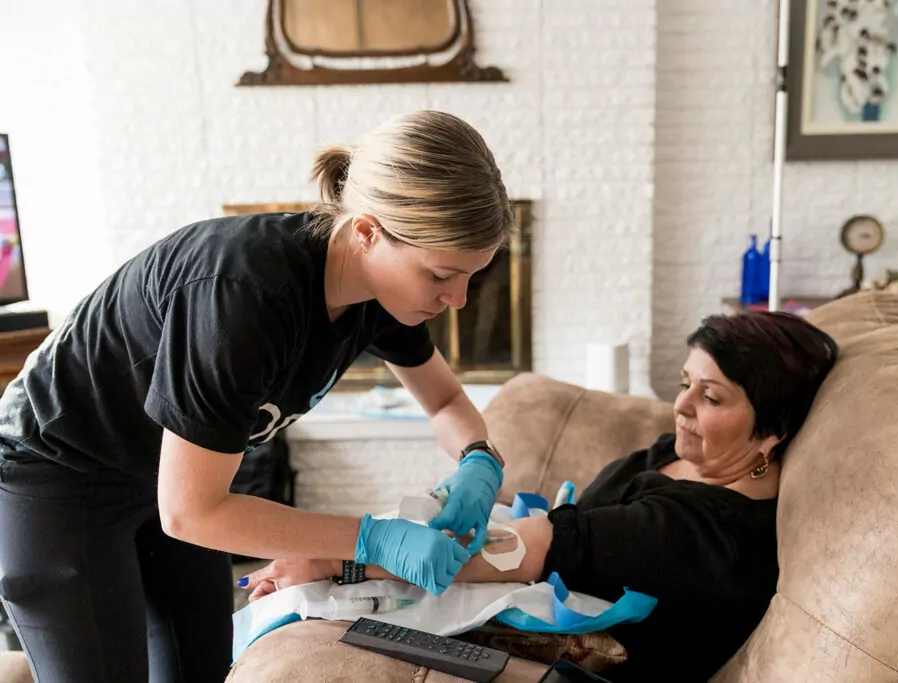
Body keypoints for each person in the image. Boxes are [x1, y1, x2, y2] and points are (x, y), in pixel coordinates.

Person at [0, 110, 514, 683]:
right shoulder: (244, 296)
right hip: (60, 474)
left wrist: (478, 458)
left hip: (170, 477)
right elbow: (192, 511)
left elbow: (445, 404)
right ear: (368, 231)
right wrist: (374, 541)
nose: (460, 300)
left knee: (202, 668)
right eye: (443, 275)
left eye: (472, 276)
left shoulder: (380, 293)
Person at [242, 311, 839, 682]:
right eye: (685, 384)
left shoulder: (703, 534)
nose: (681, 406)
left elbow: (514, 550)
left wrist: (336, 561)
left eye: (711, 397)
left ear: (773, 429)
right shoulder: (692, 456)